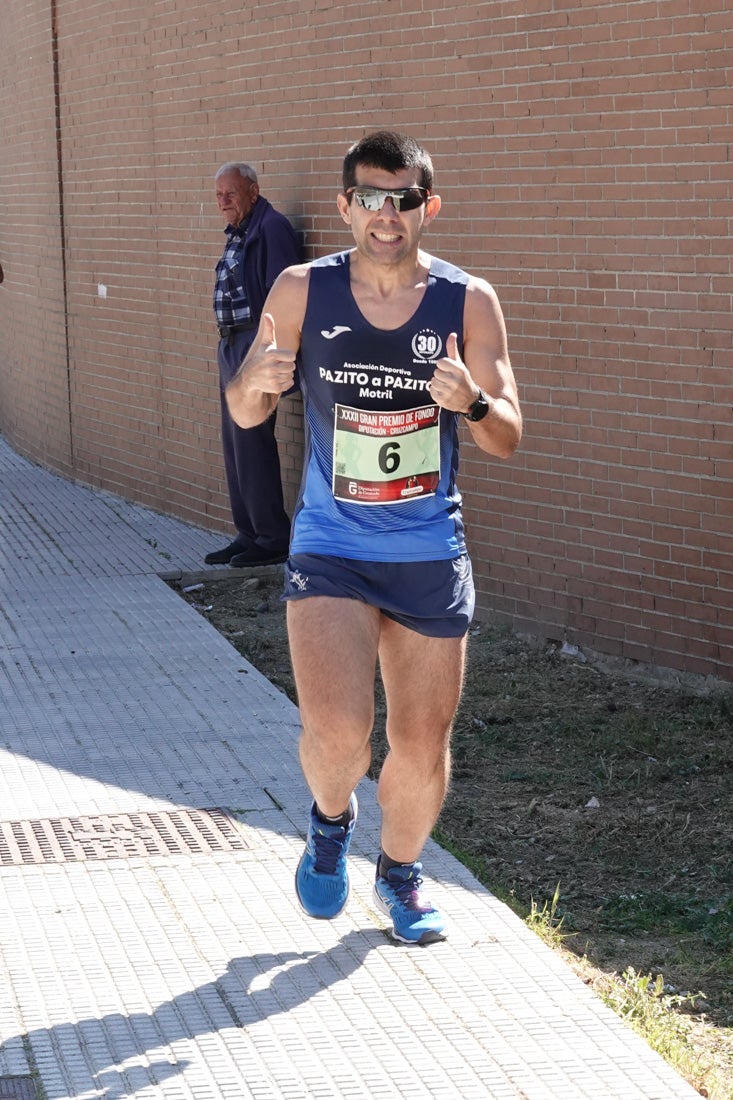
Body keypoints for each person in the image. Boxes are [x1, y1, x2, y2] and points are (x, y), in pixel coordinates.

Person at [226, 131, 522, 944]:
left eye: (402, 199)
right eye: (368, 198)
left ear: (429, 206)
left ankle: (399, 874)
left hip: (428, 551)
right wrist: (250, 385)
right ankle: (328, 822)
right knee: (337, 735)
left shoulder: (468, 301)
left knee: (419, 744)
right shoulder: (298, 290)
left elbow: (507, 436)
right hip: (331, 545)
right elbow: (246, 406)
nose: (384, 216)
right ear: (344, 205)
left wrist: (471, 405)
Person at [205, 162, 301, 567]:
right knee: (235, 445)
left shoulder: (271, 228)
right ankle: (247, 532)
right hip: (232, 344)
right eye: (218, 195)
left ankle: (271, 536)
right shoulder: (240, 231)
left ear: (253, 191)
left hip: (254, 346)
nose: (223, 202)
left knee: (253, 442)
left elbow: (284, 292)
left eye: (231, 193)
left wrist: (270, 351)